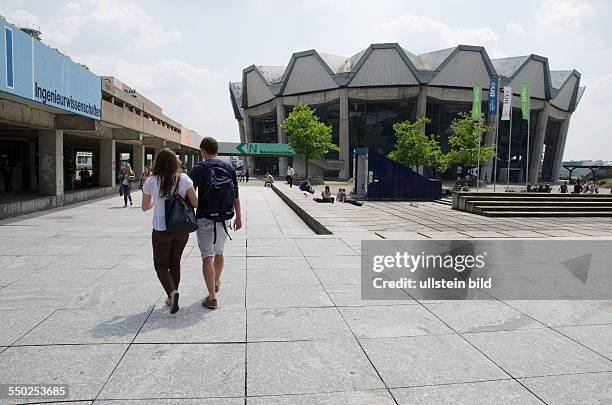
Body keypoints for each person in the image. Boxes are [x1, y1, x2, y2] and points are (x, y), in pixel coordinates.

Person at [141, 149, 198, 314]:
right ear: (175, 163)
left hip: (161, 228)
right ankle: (173, 295)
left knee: (160, 265)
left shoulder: (151, 181)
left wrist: (156, 203)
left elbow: (145, 207)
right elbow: (194, 203)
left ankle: (172, 293)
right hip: (181, 228)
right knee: (175, 263)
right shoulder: (184, 178)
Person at [189, 137, 242, 309]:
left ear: (203, 150)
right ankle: (216, 280)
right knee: (219, 252)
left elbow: (188, 193)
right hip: (225, 217)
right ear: (217, 150)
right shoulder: (229, 167)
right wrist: (239, 216)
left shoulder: (198, 168)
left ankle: (211, 297)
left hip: (205, 216)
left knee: (207, 256)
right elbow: (235, 195)